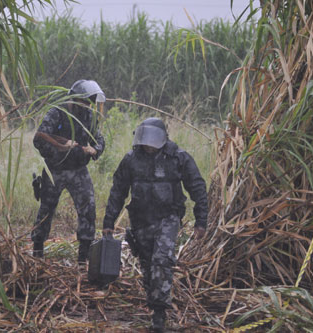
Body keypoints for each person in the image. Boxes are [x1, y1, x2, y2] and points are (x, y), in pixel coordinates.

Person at [101, 117, 208, 332]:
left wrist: (201, 221)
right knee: (148, 266)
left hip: (168, 218)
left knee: (162, 260)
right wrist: (108, 221)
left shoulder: (178, 158)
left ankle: (159, 316)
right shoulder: (131, 159)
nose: (148, 146)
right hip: (140, 220)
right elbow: (118, 191)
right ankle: (154, 306)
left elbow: (197, 189)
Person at [31, 80, 106, 262]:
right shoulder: (57, 113)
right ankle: (38, 252)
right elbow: (39, 139)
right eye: (85, 101)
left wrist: (95, 150)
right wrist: (62, 147)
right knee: (46, 210)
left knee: (88, 208)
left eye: (90, 102)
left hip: (79, 170)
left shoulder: (89, 116)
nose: (87, 105)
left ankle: (83, 257)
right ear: (74, 98)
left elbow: (99, 139)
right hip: (54, 170)